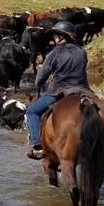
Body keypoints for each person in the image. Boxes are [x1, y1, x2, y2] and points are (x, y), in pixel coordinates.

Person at [25, 20, 92, 160]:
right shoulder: (82, 51)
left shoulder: (55, 53)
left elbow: (41, 77)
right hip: (83, 90)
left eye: (56, 36)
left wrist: (39, 83)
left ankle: (37, 146)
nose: (54, 39)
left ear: (63, 36)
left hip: (59, 90)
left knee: (31, 111)